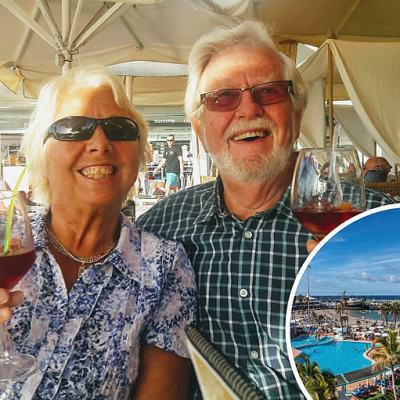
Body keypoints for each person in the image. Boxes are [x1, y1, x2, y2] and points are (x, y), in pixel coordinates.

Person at [136, 21, 394, 399]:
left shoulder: (373, 220)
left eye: (268, 91)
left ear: (297, 109)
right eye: (222, 97)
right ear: (200, 127)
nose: (248, 109)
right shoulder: (159, 228)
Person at [0, 65, 197, 399]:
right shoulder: (9, 246)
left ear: (139, 155)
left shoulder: (164, 267)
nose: (100, 143)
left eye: (120, 128)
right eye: (74, 128)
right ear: (41, 153)